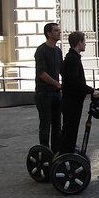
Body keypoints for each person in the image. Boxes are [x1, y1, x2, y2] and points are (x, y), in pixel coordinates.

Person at [58, 32, 99, 155]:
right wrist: (91, 90)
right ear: (79, 43)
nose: (86, 44)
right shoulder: (72, 59)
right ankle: (65, 155)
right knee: (70, 129)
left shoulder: (72, 57)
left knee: (71, 129)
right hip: (71, 100)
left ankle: (68, 152)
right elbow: (74, 81)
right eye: (84, 41)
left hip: (73, 100)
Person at [34, 22, 63, 151]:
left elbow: (62, 69)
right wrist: (56, 83)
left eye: (59, 30)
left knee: (57, 124)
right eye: (56, 30)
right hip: (44, 93)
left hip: (56, 93)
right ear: (49, 34)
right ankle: (45, 150)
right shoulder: (41, 50)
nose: (59, 32)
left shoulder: (58, 50)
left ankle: (56, 149)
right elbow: (41, 73)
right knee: (45, 124)